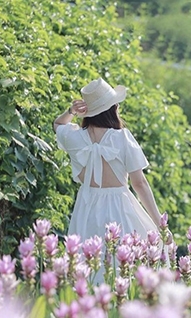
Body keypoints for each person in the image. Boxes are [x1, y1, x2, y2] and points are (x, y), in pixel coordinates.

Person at [52, 77, 164, 256]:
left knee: (87, 262)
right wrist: (160, 223)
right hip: (119, 206)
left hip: (86, 207)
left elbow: (57, 124)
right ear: (112, 109)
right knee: (126, 262)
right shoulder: (122, 138)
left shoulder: (73, 137)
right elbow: (140, 183)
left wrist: (71, 111)